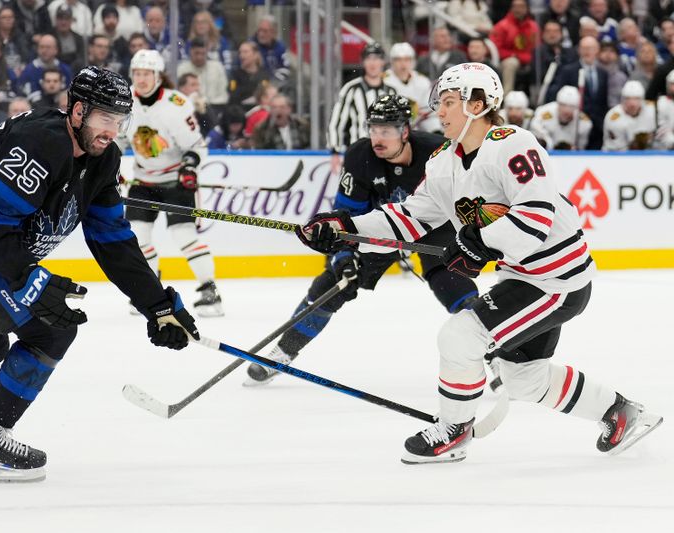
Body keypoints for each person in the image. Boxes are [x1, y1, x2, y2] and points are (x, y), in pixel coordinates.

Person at [297, 62, 662, 463]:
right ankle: (621, 412)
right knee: (524, 378)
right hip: (525, 276)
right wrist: (345, 227)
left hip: (556, 280)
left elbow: (535, 217)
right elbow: (410, 218)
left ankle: (454, 430)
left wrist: (476, 243)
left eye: (450, 102)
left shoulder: (514, 144)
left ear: (479, 103)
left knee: (460, 336)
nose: (440, 111)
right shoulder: (444, 161)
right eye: (440, 102)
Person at [0, 66, 200, 482]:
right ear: (78, 110)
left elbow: (113, 241)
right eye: (105, 118)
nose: (112, 130)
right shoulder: (40, 141)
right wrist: (34, 282)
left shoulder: (103, 161)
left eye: (119, 121)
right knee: (51, 329)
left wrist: (157, 306)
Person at [244, 95, 479, 386]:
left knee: (453, 284)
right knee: (332, 284)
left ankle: (495, 357)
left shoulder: (438, 151)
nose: (377, 138)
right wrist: (344, 258)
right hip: (382, 226)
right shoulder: (360, 155)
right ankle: (282, 353)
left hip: (432, 225)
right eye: (373, 129)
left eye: (387, 131)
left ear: (405, 131)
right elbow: (349, 215)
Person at [119, 50, 223, 317]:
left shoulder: (176, 104)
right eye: (137, 73)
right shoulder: (124, 101)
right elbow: (116, 140)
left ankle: (209, 290)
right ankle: (151, 289)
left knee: (183, 235)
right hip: (143, 180)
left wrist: (189, 167)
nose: (140, 79)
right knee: (137, 237)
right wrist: (111, 166)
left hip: (175, 180)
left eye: (146, 74)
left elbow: (197, 147)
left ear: (158, 75)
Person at [327, 42, 396, 153]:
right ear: (363, 62)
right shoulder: (351, 89)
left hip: (387, 153)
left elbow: (397, 124)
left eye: (376, 58)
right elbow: (337, 121)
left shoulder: (391, 91)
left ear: (383, 61)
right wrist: (335, 149)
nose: (372, 63)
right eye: (368, 58)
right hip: (359, 151)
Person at [383, 42, 437, 133]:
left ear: (413, 61)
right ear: (391, 61)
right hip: (390, 131)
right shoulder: (383, 81)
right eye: (398, 60)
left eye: (407, 59)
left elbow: (428, 112)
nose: (403, 64)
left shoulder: (422, 81)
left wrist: (435, 130)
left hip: (416, 132)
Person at [530, 85, 592, 150]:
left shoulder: (584, 123)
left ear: (576, 108)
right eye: (563, 105)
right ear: (557, 103)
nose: (566, 110)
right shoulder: (542, 114)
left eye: (571, 107)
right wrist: (547, 142)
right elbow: (537, 138)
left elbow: (581, 149)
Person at [602, 80, 657, 151]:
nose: (632, 104)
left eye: (636, 99)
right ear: (622, 100)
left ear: (642, 99)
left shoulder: (652, 110)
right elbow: (616, 149)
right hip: (615, 156)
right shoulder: (614, 118)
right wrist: (635, 144)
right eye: (628, 99)